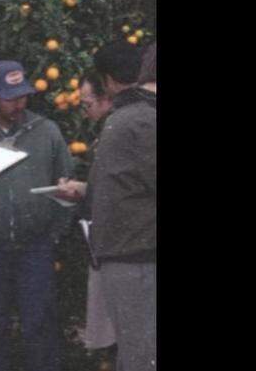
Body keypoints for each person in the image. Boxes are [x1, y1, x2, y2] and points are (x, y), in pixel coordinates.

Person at [0, 60, 74, 371]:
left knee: (40, 325)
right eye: (10, 97)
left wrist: (53, 234)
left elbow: (68, 186)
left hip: (35, 248)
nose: (18, 103)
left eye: (23, 95)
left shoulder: (47, 131)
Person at [55, 42, 156, 371]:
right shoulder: (137, 119)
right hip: (135, 256)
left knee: (137, 353)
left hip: (131, 256)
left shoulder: (130, 120)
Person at [76, 72, 116, 354]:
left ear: (105, 99)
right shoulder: (106, 131)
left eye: (86, 103)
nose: (84, 111)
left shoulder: (118, 131)